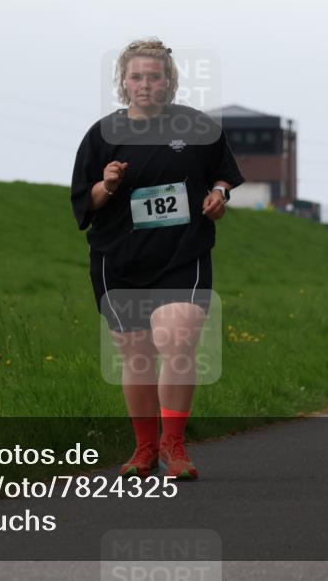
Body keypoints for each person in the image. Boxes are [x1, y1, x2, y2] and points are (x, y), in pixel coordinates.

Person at [69, 38, 245, 481]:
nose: (145, 84)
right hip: (119, 258)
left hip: (182, 254)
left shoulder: (198, 127)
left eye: (154, 76)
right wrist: (106, 185)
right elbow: (84, 203)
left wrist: (219, 194)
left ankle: (174, 445)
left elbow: (225, 174)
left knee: (178, 341)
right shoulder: (101, 135)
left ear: (169, 81)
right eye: (136, 77)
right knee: (138, 356)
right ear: (123, 83)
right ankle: (144, 448)